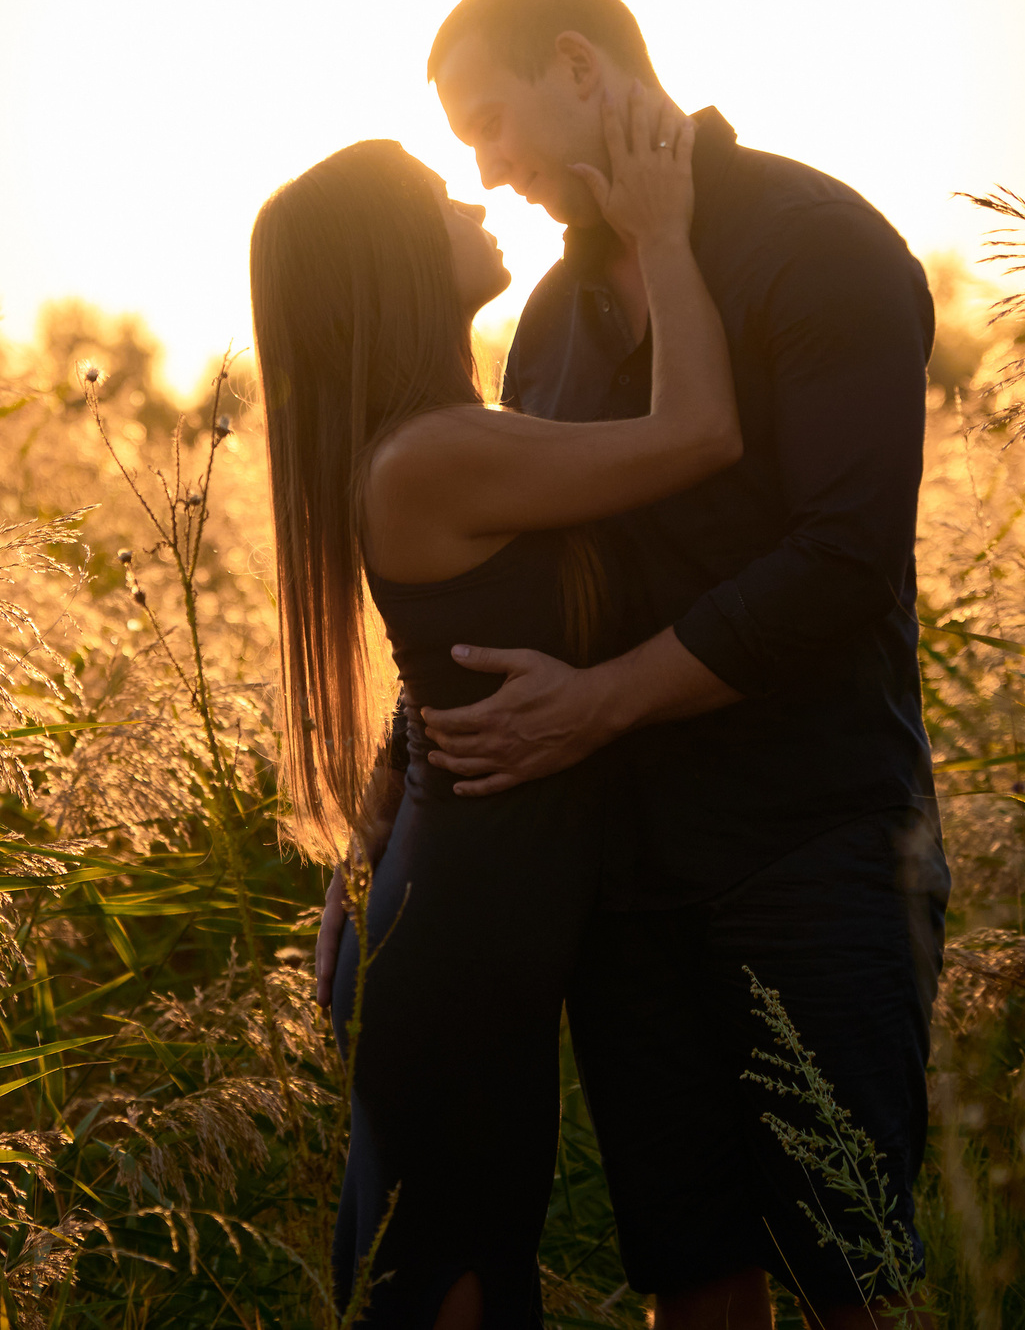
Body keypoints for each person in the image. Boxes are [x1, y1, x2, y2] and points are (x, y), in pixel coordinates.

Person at [408, 0, 949, 1330]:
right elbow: (510, 588)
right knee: (693, 1278)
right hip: (627, 880)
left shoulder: (815, 242)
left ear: (581, 69)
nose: (487, 162)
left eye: (490, 120)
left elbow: (842, 558)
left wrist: (597, 706)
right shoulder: (551, 323)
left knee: (852, 1278)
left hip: (810, 837)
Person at [252, 82, 736, 1330]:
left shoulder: (451, 437)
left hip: (452, 915)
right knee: (453, 1277)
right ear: (395, 262)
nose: (473, 193)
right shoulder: (432, 455)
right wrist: (664, 234)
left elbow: (441, 676)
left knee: (468, 1257)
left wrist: (356, 862)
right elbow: (697, 432)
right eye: (436, 195)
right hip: (459, 937)